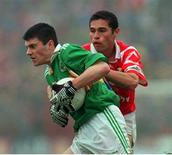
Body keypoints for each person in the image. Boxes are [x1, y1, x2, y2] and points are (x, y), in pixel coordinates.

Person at [23, 23, 131, 154]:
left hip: (102, 119)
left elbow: (102, 67)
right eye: (27, 47)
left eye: (33, 46)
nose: (28, 52)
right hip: (83, 127)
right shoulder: (49, 74)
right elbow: (63, 96)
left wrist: (72, 87)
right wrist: (57, 109)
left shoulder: (66, 52)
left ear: (50, 44)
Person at [82, 10, 148, 149]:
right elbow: (57, 74)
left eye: (102, 31)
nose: (96, 36)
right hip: (93, 117)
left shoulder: (128, 52)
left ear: (116, 32)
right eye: (92, 31)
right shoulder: (82, 53)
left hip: (124, 117)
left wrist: (101, 70)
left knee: (122, 150)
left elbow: (132, 81)